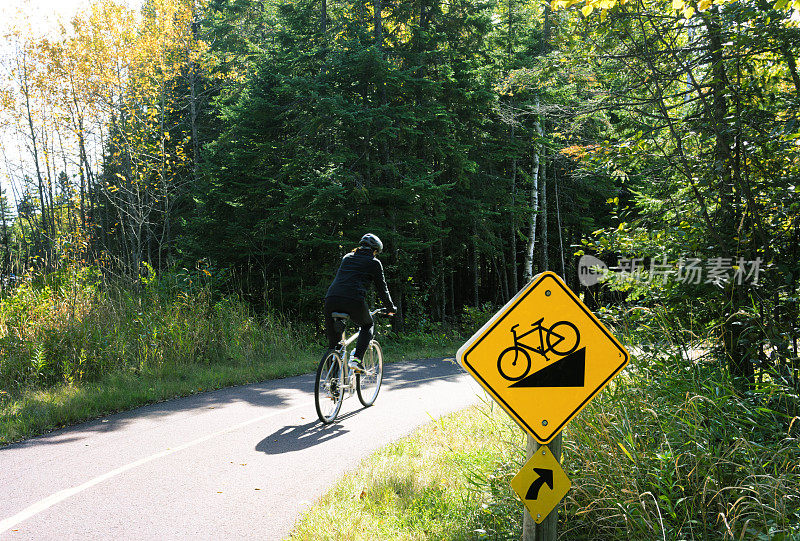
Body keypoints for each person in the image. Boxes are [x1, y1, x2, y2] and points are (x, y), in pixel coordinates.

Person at [324, 233, 396, 373]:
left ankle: (333, 389)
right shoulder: (374, 262)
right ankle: (356, 359)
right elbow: (383, 289)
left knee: (334, 345)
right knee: (367, 324)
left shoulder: (347, 257)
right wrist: (390, 308)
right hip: (353, 300)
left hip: (331, 299)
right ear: (375, 250)